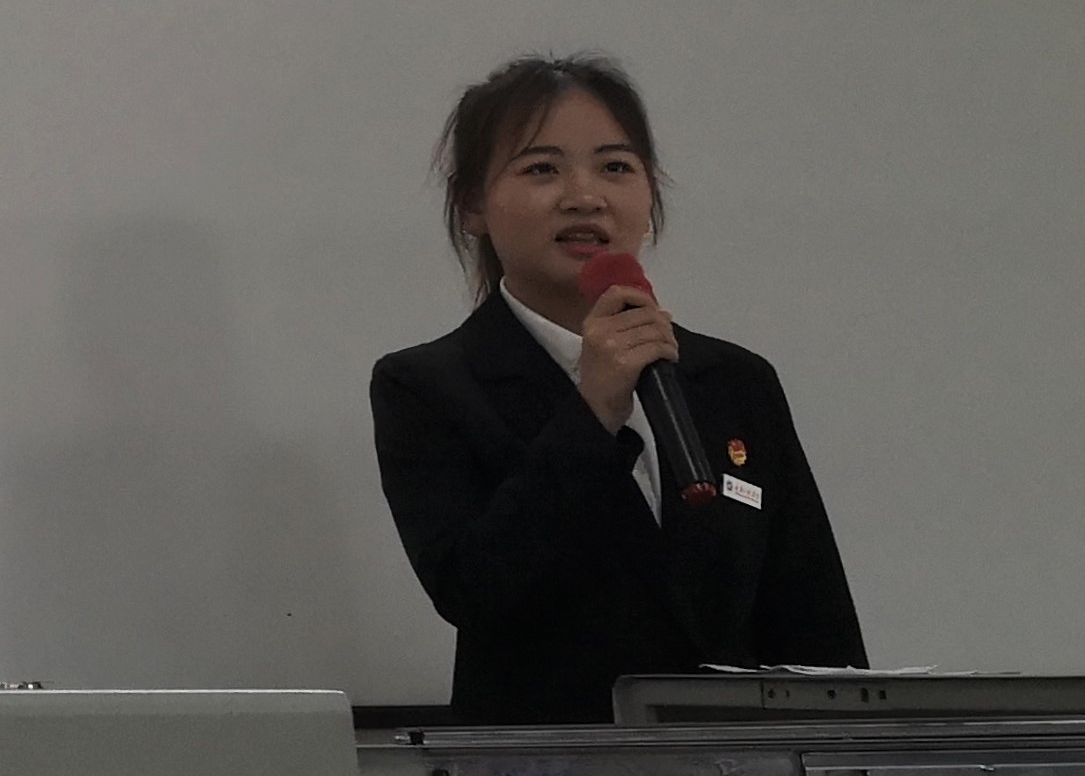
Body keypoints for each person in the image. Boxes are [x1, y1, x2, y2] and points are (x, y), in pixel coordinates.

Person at [369, 54, 865, 722]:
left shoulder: (732, 379)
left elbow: (813, 616)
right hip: (547, 769)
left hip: (738, 769)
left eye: (615, 167)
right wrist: (593, 410)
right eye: (541, 169)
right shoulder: (428, 386)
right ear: (471, 206)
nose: (584, 196)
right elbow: (475, 589)